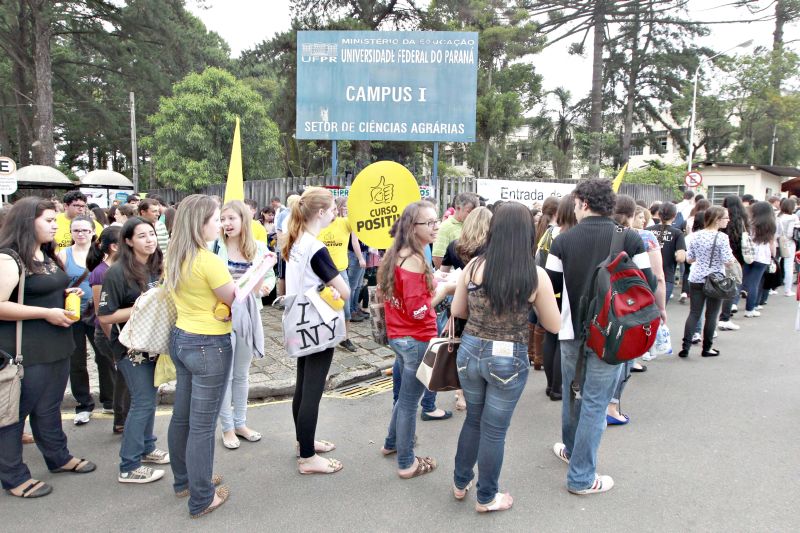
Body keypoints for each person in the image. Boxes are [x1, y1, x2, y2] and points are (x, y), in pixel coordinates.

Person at [545, 179, 654, 495]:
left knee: (573, 393)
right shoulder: (630, 237)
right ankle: (581, 475)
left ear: (582, 203)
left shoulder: (562, 241)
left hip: (570, 331)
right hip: (613, 333)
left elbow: (551, 287)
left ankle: (572, 453)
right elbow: (647, 282)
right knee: (595, 402)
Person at [450, 202, 560, 512]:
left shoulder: (473, 266)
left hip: (470, 350)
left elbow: (458, 310)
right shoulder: (535, 275)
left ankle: (460, 483)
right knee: (495, 430)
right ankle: (487, 497)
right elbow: (553, 325)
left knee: (473, 419)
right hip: (508, 356)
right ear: (527, 233)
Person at [0, 197, 96, 499]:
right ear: (27, 222)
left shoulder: (45, 254)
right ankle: (14, 477)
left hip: (57, 346)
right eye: (49, 221)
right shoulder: (9, 259)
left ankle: (58, 457)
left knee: (49, 409)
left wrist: (65, 294)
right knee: (14, 417)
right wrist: (46, 312)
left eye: (55, 220)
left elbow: (41, 290)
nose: (56, 226)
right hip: (26, 353)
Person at [165, 195, 235, 517]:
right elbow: (231, 297)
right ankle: (202, 497)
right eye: (216, 219)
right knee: (203, 426)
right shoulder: (209, 260)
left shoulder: (174, 254)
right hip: (209, 343)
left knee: (182, 417)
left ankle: (187, 481)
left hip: (181, 338)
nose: (220, 224)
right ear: (199, 223)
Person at [379, 201, 449, 479]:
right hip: (416, 337)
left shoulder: (396, 253)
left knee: (405, 398)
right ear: (412, 227)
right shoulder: (415, 260)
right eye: (428, 223)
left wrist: (434, 282)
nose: (435, 227)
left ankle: (392, 442)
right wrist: (445, 291)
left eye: (436, 221)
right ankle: (407, 463)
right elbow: (418, 310)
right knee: (410, 402)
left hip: (399, 335)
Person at [282, 187, 349, 474]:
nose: (335, 214)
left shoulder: (295, 240)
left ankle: (304, 443)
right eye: (333, 209)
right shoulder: (316, 247)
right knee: (312, 390)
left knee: (303, 384)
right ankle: (308, 458)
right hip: (318, 323)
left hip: (300, 321)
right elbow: (344, 290)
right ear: (320, 212)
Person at [98, 217, 170, 484]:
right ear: (128, 241)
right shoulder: (117, 273)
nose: (149, 240)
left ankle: (147, 447)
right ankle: (129, 466)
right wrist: (143, 305)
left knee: (150, 398)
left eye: (151, 234)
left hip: (154, 343)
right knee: (142, 401)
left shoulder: (157, 266)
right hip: (130, 348)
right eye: (142, 236)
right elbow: (105, 316)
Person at [212, 200, 275, 450]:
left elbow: (268, 276)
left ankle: (240, 423)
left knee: (241, 374)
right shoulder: (214, 247)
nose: (226, 224)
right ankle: (227, 428)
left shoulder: (259, 248)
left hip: (249, 315)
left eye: (231, 218)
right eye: (222, 219)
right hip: (221, 318)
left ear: (243, 220)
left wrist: (267, 285)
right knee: (224, 376)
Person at [606, 199, 665, 425]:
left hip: (599, 303)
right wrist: (660, 307)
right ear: (632, 215)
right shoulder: (638, 237)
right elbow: (653, 278)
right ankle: (611, 407)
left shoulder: (597, 232)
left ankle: (594, 404)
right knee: (623, 355)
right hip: (628, 306)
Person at [58, 215, 114, 425]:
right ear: (71, 233)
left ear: (93, 232)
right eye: (76, 230)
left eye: (85, 230)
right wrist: (67, 292)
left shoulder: (101, 255)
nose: (81, 234)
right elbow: (57, 284)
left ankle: (109, 400)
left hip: (97, 314)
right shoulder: (63, 255)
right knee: (77, 361)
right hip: (72, 314)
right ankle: (83, 404)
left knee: (105, 357)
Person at [440, 206, 492, 411]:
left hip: (458, 300)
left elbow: (442, 272)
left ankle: (460, 392)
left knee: (458, 345)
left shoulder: (455, 246)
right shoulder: (490, 249)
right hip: (482, 304)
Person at [88, 226, 129, 434]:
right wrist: (116, 341)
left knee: (125, 378)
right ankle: (121, 420)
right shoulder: (100, 273)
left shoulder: (122, 268)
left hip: (121, 333)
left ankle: (123, 419)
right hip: (110, 334)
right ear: (114, 246)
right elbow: (101, 314)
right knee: (124, 378)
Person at [679, 207, 735, 357]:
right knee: (711, 315)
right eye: (726, 218)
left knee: (694, 313)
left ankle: (686, 347)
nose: (728, 220)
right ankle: (707, 348)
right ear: (717, 219)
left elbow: (689, 259)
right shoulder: (722, 237)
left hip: (696, 277)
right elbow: (728, 261)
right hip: (715, 280)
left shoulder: (695, 235)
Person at [541, 194, 577, 402]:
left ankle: (550, 384)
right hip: (564, 290)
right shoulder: (570, 236)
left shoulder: (550, 233)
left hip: (546, 289)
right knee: (562, 338)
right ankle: (557, 387)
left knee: (550, 337)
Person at [317, 197, 359, 351]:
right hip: (321, 272)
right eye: (333, 209)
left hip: (340, 272)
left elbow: (360, 222)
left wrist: (352, 210)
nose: (335, 212)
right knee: (323, 307)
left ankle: (345, 338)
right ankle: (324, 337)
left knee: (346, 308)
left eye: (336, 209)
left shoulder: (344, 223)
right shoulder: (317, 225)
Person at [717, 196, 749, 330]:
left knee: (715, 287)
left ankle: (717, 319)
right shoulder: (742, 220)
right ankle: (725, 317)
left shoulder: (719, 218)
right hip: (735, 258)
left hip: (718, 257)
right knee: (731, 287)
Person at [741, 201, 776, 318]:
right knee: (754, 283)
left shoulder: (749, 223)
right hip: (763, 256)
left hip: (748, 253)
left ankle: (733, 304)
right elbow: (772, 243)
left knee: (741, 280)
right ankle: (750, 309)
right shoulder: (771, 225)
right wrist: (773, 256)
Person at [647, 201, 686, 304]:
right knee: (660, 309)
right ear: (674, 216)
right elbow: (681, 258)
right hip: (666, 276)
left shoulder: (647, 230)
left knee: (644, 308)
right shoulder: (677, 233)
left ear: (659, 214)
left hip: (646, 275)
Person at [432, 192, 480, 268]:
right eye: (469, 212)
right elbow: (437, 257)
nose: (472, 215)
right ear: (458, 208)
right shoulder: (445, 227)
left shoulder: (474, 226)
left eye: (474, 212)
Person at [273, 194, 301, 309]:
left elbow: (279, 233)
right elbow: (279, 233)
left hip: (288, 249)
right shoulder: (286, 215)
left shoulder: (287, 214)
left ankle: (285, 300)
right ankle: (283, 300)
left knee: (284, 275)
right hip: (288, 249)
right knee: (283, 275)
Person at [777, 198, 797, 296]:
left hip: (777, 242)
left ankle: (771, 287)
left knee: (775, 264)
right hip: (789, 243)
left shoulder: (778, 215)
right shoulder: (793, 217)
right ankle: (787, 290)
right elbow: (791, 233)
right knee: (788, 266)